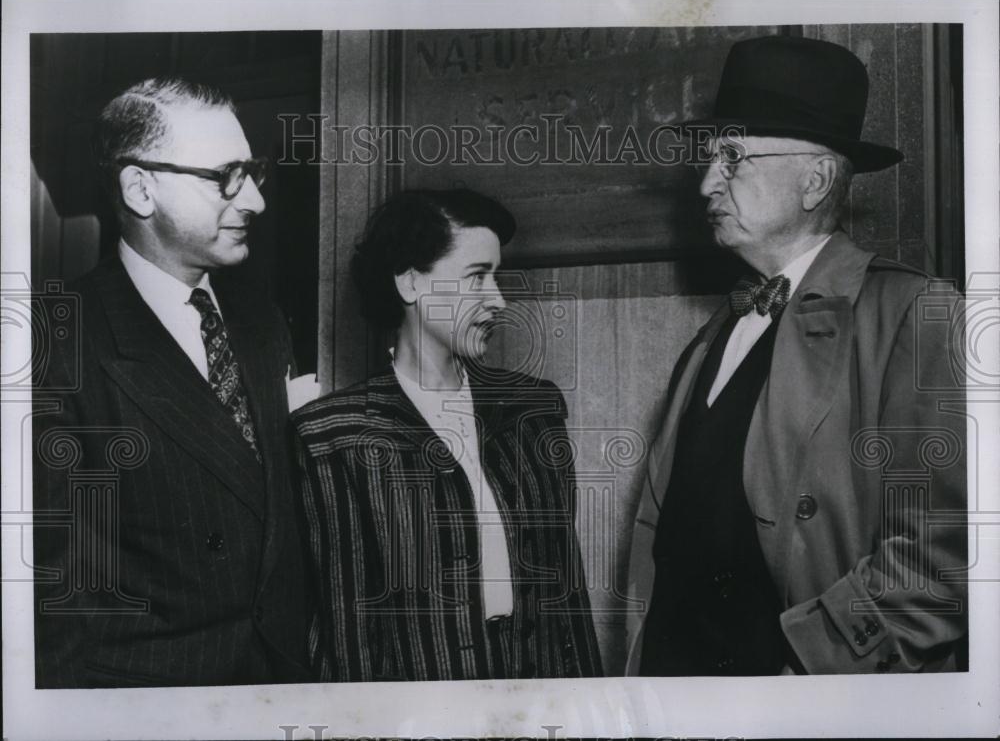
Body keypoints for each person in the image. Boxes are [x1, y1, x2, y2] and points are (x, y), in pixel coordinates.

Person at [626, 36, 967, 675]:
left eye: (732, 158)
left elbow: (942, 562)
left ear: (814, 180)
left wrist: (809, 672)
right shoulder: (708, 344)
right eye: (709, 158)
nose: (706, 183)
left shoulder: (914, 315)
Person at [32, 77, 311, 687]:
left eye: (253, 171)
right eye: (225, 176)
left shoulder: (263, 320)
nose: (256, 201)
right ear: (140, 188)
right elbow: (54, 599)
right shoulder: (55, 343)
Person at [290, 189, 603, 681]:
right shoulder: (333, 437)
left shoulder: (534, 411)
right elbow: (348, 630)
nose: (497, 300)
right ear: (412, 282)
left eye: (495, 276)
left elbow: (568, 599)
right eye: (477, 276)